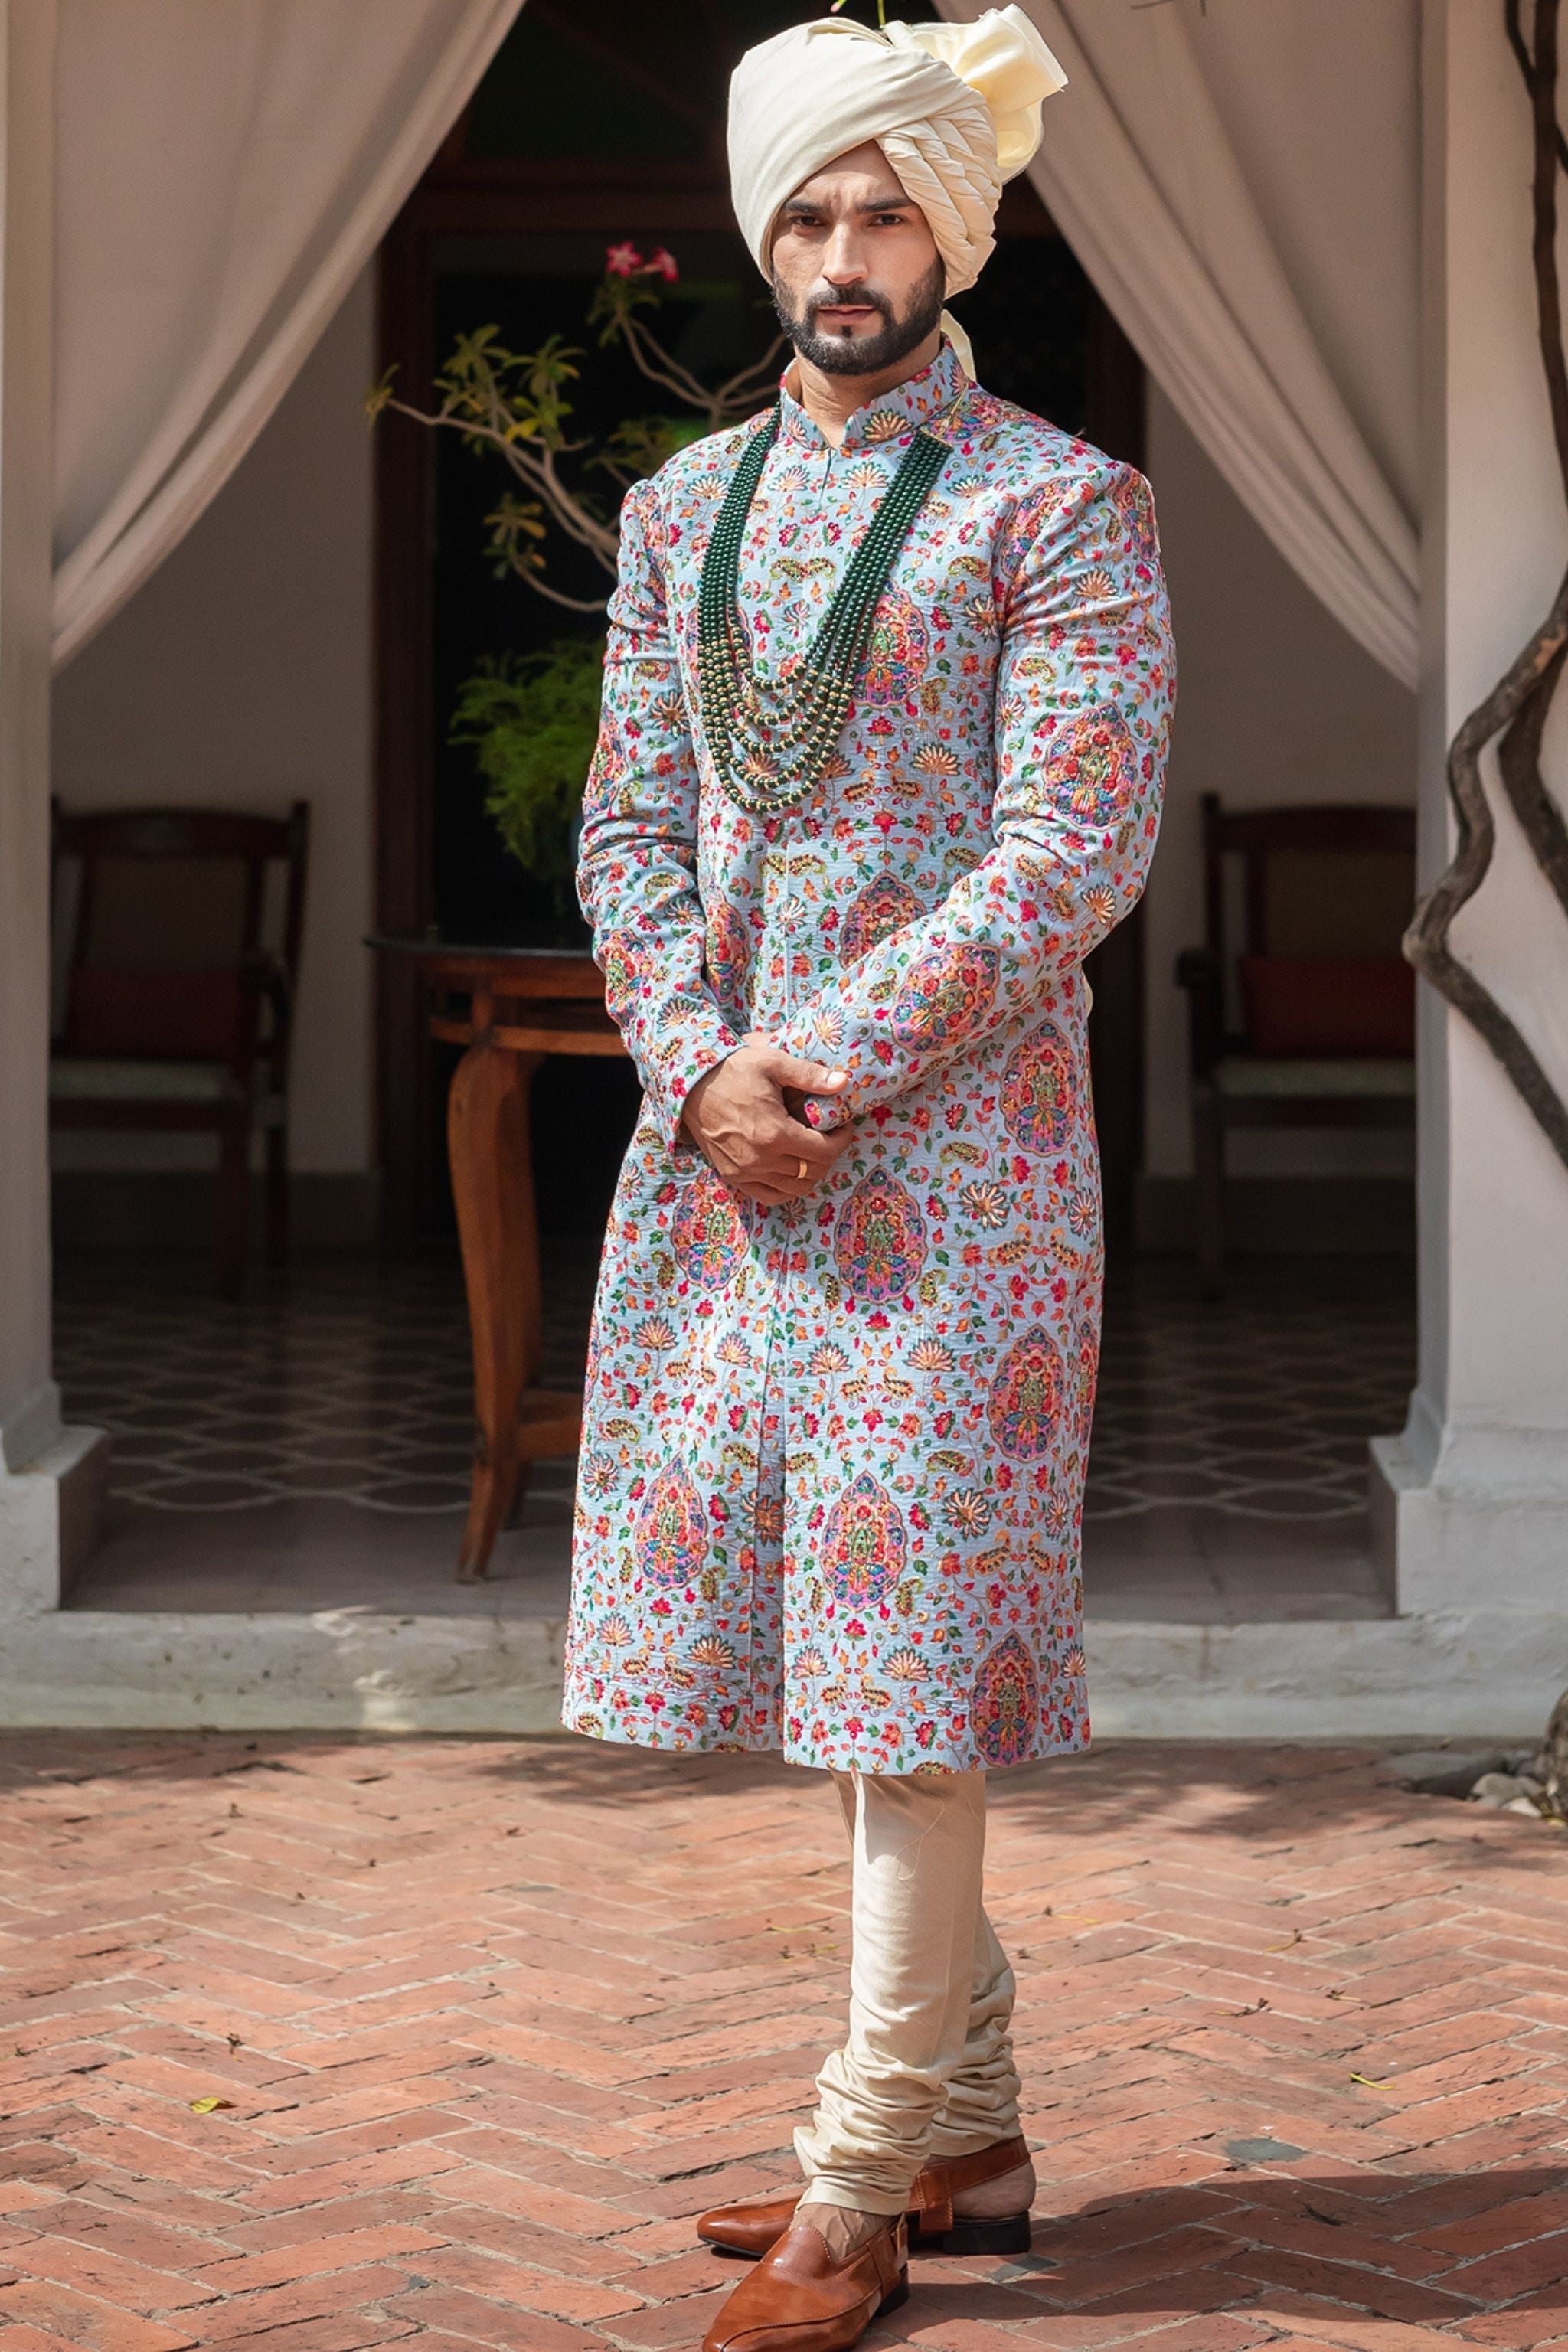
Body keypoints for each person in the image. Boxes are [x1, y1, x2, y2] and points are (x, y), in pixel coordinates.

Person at [563, 11, 1174, 2349]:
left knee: (905, 1686)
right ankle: (973, 2137)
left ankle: (858, 2179)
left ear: (955, 234)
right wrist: (696, 1066)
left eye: (885, 210)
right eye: (810, 212)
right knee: (839, 1663)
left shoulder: (1061, 505)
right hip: (732, 1170)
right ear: (766, 235)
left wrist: (809, 1060)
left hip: (963, 1179)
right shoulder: (678, 513)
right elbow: (628, 826)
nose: (844, 252)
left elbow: (1068, 856)